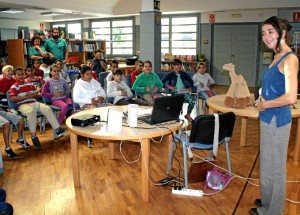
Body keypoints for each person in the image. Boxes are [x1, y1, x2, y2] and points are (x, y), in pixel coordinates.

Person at [251, 16, 299, 215]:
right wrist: (261, 99)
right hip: (267, 117)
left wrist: (266, 104)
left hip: (278, 120)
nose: (266, 36)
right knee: (267, 165)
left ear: (282, 33)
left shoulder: (290, 59)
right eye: (263, 33)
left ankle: (274, 211)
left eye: (270, 31)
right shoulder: (276, 56)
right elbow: (273, 88)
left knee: (277, 169)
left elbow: (290, 97)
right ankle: (267, 201)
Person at [9, 67, 68, 148]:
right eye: (18, 75)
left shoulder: (30, 84)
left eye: (22, 74)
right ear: (14, 76)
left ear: (24, 74)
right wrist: (25, 97)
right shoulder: (14, 87)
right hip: (22, 105)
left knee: (47, 108)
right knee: (31, 112)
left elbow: (37, 95)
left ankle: (57, 129)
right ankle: (34, 137)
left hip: (34, 102)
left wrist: (35, 95)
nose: (21, 76)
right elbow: (12, 98)